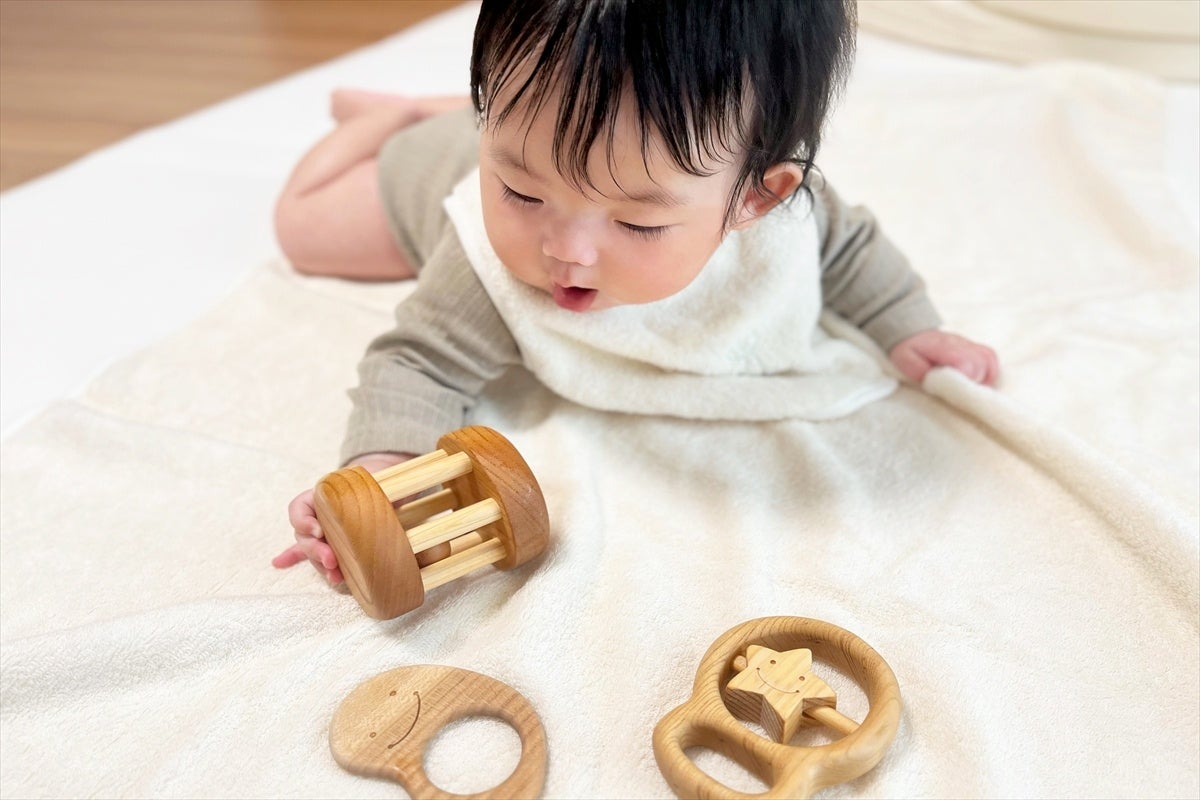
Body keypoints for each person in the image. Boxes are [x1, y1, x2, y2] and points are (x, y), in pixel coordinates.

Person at [273, 0, 999, 585]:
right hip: (426, 165)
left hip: (528, 133)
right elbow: (417, 364)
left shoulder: (789, 224)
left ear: (757, 197)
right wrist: (378, 477)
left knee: (560, 155)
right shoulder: (482, 260)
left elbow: (852, 250)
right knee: (301, 229)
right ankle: (393, 121)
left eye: (637, 223)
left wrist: (909, 326)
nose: (566, 251)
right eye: (521, 193)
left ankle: (452, 123)